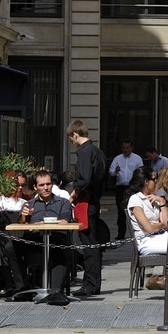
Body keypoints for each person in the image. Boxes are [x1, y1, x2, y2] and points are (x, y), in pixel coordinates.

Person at [126, 174, 168, 302]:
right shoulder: (135, 200)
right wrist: (161, 225)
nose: (156, 182)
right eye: (154, 179)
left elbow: (166, 223)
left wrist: (162, 203)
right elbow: (149, 228)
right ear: (146, 181)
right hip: (146, 241)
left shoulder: (155, 198)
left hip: (159, 236)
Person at [18, 169, 74, 301]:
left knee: (61, 246)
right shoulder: (29, 204)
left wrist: (44, 223)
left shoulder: (62, 202)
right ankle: (23, 287)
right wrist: (24, 217)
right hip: (35, 240)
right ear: (35, 187)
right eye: (42, 185)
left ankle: (56, 292)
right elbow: (22, 224)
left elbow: (66, 220)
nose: (46, 188)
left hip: (56, 237)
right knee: (10, 248)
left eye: (48, 184)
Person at [66, 120, 105, 297]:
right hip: (94, 199)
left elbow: (84, 179)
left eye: (71, 138)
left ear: (75, 134)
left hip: (86, 201)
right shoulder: (98, 151)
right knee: (93, 243)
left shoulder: (84, 152)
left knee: (88, 244)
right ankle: (93, 283)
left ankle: (90, 284)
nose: (72, 142)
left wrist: (74, 192)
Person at [108, 140, 144, 242]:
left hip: (132, 187)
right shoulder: (117, 159)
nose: (125, 150)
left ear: (131, 148)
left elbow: (140, 172)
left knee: (135, 209)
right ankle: (121, 234)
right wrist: (116, 171)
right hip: (120, 187)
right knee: (121, 211)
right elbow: (111, 172)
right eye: (124, 148)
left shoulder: (137, 158)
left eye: (127, 148)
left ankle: (138, 232)